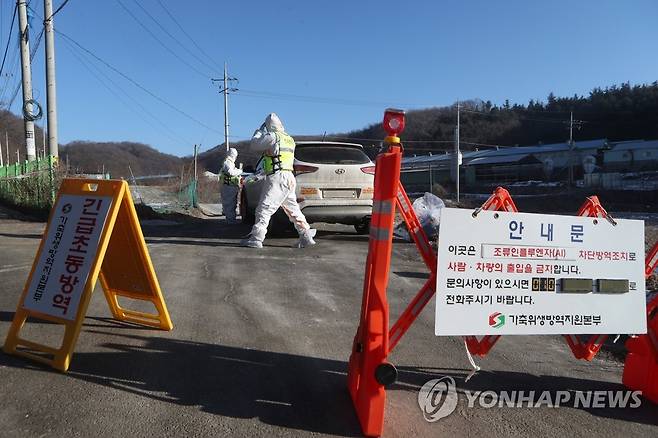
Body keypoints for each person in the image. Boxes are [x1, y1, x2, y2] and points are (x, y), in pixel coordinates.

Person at [241, 113, 317, 248]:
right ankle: (306, 235)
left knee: (264, 208)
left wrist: (259, 132)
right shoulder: (289, 139)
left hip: (277, 177)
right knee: (293, 209)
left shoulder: (272, 136)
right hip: (289, 176)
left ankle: (256, 239)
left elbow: (254, 145)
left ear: (268, 126)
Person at [219, 147, 243, 224]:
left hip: (231, 186)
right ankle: (230, 221)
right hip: (228, 187)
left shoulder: (230, 163)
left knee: (232, 203)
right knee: (229, 204)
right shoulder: (227, 163)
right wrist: (240, 171)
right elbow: (231, 172)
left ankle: (231, 219)